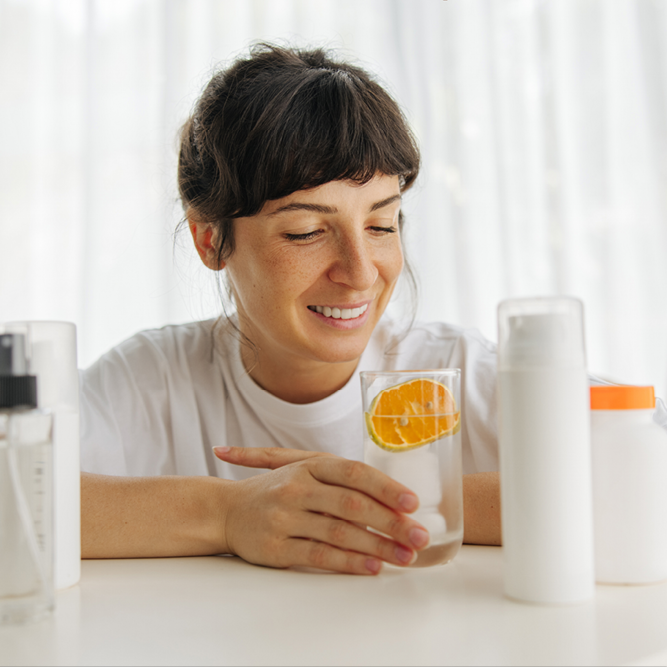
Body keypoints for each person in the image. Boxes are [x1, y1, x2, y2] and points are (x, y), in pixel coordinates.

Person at [80, 43, 502, 575]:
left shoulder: (457, 371)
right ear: (210, 240)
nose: (361, 271)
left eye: (380, 225)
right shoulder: (149, 383)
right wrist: (229, 512)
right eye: (306, 232)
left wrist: (369, 495)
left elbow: (633, 462)